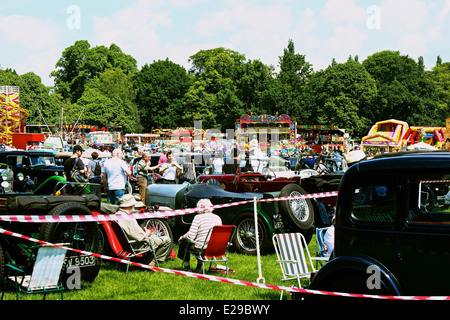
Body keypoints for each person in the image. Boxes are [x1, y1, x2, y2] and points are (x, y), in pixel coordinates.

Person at [116, 194, 171, 267]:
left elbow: (133, 233)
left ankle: (147, 260)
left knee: (154, 236)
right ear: (130, 206)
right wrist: (147, 232)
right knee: (167, 240)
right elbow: (141, 237)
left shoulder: (117, 215)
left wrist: (144, 232)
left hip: (126, 244)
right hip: (137, 245)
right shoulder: (128, 218)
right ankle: (151, 262)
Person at [177, 198, 222, 271]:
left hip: (202, 249)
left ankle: (187, 267)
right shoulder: (218, 218)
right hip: (217, 248)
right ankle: (199, 267)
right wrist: (184, 236)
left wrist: (182, 237)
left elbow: (190, 236)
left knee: (183, 242)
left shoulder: (198, 218)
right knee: (201, 242)